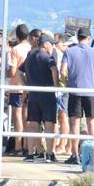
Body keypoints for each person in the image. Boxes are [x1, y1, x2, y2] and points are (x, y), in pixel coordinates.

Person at [60, 27, 94, 165]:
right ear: (89, 38)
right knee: (91, 122)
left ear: (77, 38)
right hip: (91, 92)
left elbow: (63, 72)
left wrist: (67, 82)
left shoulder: (69, 51)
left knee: (75, 123)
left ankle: (74, 154)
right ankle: (92, 154)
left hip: (74, 91)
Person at [20, 34, 58, 163]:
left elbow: (19, 72)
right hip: (47, 95)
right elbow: (54, 69)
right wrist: (56, 85)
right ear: (46, 44)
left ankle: (31, 154)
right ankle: (49, 153)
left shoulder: (30, 57)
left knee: (33, 124)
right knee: (49, 124)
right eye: (51, 44)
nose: (52, 47)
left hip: (33, 95)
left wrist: (27, 85)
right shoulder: (48, 58)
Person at [7, 24, 31, 156]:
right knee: (26, 117)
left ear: (17, 35)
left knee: (17, 118)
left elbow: (12, 70)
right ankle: (27, 144)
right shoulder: (30, 48)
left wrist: (4, 72)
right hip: (28, 87)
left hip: (16, 86)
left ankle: (18, 146)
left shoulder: (14, 50)